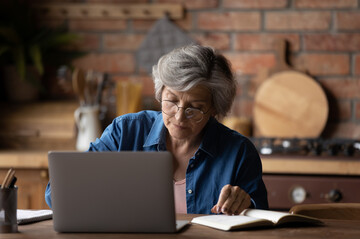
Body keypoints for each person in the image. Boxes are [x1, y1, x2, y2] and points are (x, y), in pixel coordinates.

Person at [45, 44, 268, 215]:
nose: (180, 116)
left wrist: (246, 203)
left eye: (196, 108)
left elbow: (262, 219)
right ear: (160, 93)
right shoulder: (125, 132)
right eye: (171, 101)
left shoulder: (239, 152)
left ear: (214, 108)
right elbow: (55, 193)